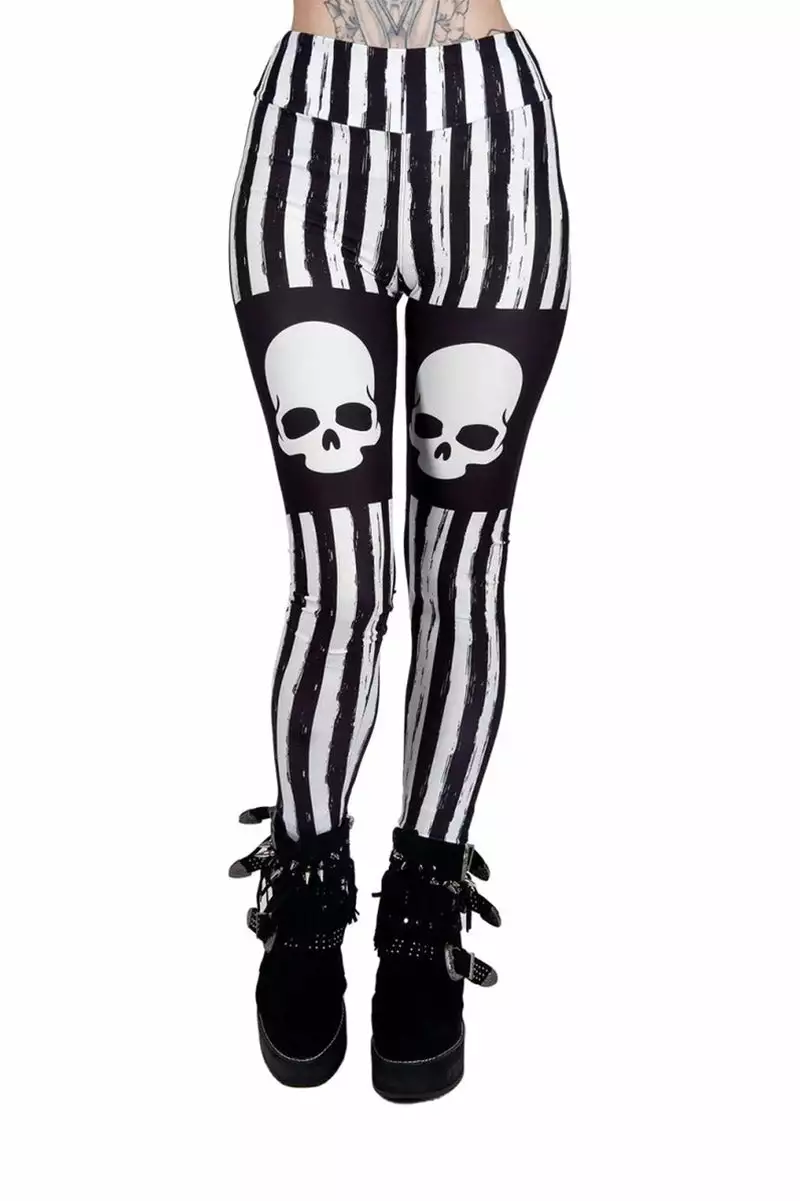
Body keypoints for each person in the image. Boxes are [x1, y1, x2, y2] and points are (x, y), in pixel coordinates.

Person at [228, 0, 570, 1101]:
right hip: (308, 139)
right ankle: (307, 882)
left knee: (460, 566)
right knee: (340, 574)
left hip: (492, 141)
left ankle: (423, 900)